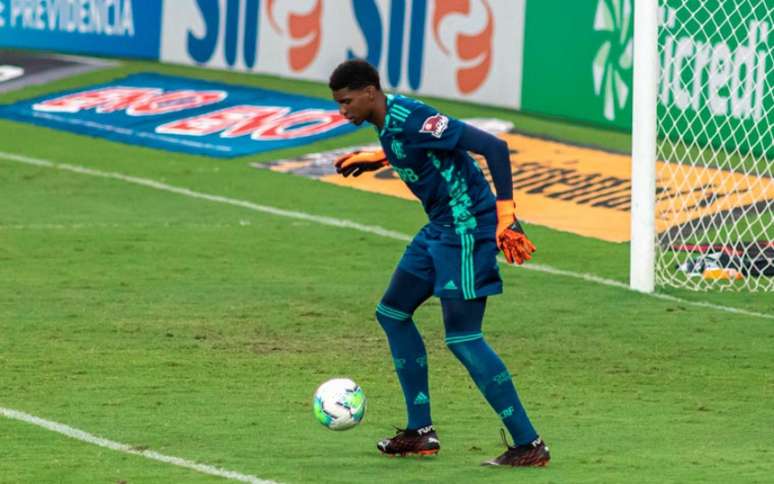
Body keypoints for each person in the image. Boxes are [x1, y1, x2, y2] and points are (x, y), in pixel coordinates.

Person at [328, 59, 549, 467]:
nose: (343, 111)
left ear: (370, 92)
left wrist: (506, 215)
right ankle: (420, 432)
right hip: (439, 228)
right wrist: (380, 158)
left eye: (347, 102)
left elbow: (493, 147)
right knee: (392, 313)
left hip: (468, 227)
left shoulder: (415, 118)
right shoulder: (388, 121)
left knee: (463, 337)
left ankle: (528, 443)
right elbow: (416, 148)